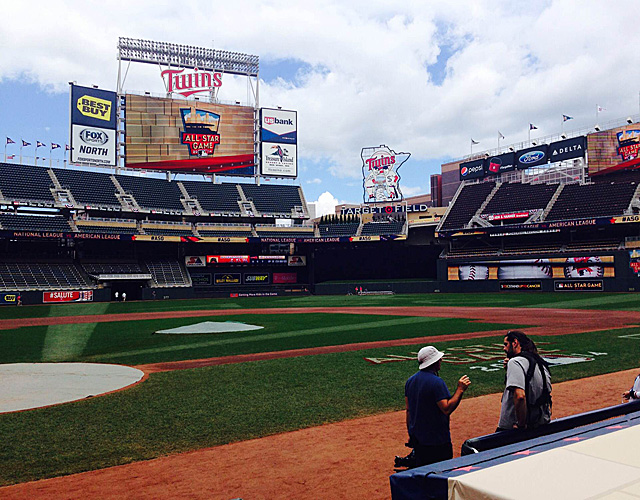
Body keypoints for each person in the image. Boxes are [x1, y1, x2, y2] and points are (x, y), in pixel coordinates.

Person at [404, 346, 471, 467]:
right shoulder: (436, 382)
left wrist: (411, 434)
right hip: (437, 441)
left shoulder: (410, 381)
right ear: (434, 362)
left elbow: (408, 411)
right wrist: (460, 390)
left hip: (419, 441)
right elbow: (446, 409)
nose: (441, 361)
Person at [497, 330, 552, 431]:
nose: (504, 349)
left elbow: (520, 396)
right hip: (540, 423)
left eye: (506, 344)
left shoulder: (515, 363)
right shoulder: (540, 362)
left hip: (514, 429)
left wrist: (521, 425)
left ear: (515, 343)